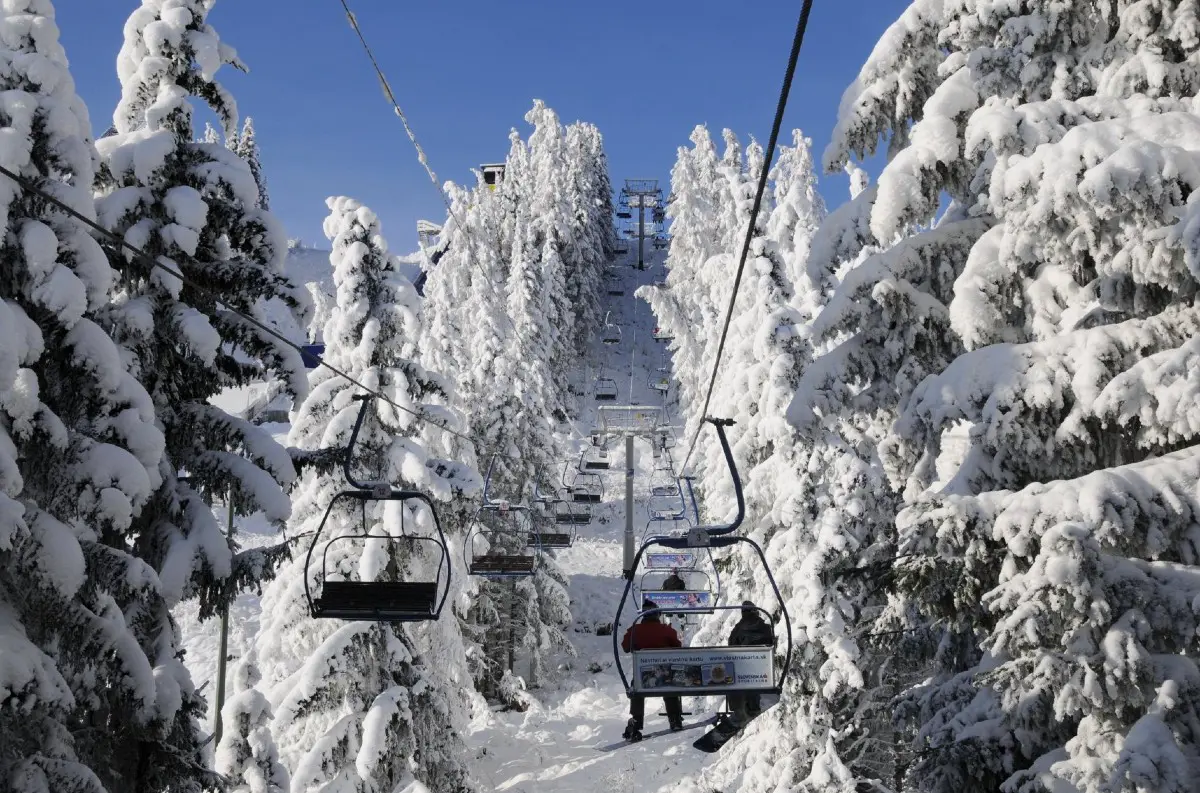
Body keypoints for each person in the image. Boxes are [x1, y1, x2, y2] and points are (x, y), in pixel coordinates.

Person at [620, 599, 684, 740]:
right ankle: (675, 718)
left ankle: (637, 721)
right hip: (666, 675)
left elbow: (625, 647)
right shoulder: (667, 631)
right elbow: (678, 648)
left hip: (643, 677)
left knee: (636, 686)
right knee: (669, 682)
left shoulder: (634, 631)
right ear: (657, 614)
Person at [724, 600, 773, 730]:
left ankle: (739, 709)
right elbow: (771, 642)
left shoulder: (738, 629)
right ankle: (753, 705)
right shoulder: (765, 627)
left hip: (743, 665)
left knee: (734, 679)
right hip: (763, 665)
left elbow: (731, 645)